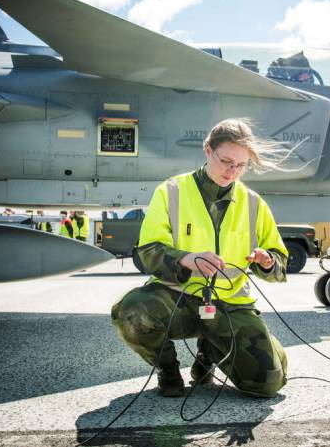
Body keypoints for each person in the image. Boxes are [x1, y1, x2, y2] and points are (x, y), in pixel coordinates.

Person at [111, 119, 290, 398]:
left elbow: (280, 260)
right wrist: (185, 259)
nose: (232, 172)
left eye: (241, 165)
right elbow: (147, 251)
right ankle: (168, 370)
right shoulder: (172, 191)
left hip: (230, 305)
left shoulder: (254, 202)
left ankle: (210, 354)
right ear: (208, 150)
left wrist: (268, 261)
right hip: (177, 299)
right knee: (132, 313)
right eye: (226, 161)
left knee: (267, 383)